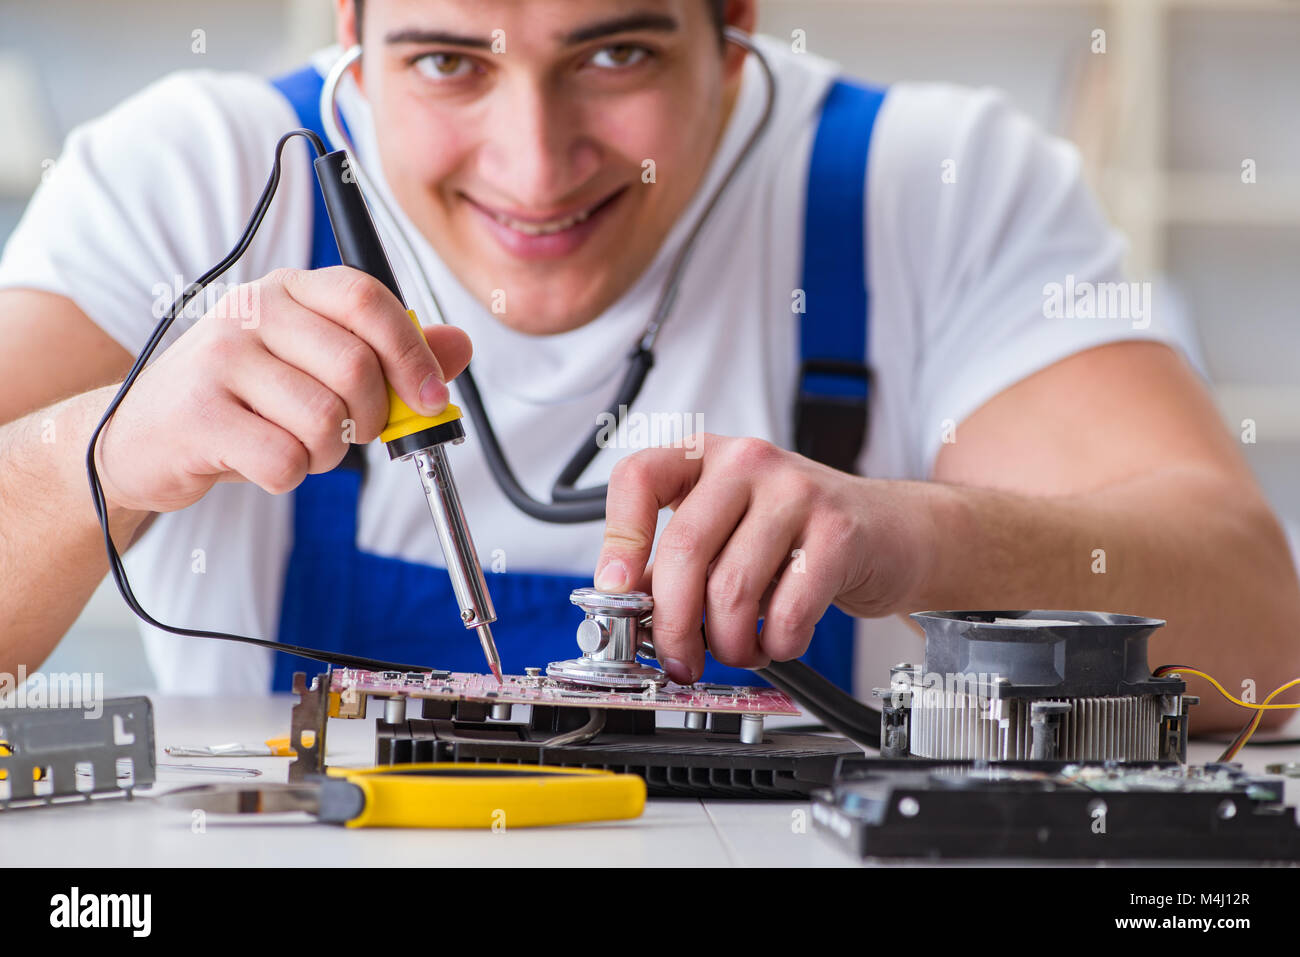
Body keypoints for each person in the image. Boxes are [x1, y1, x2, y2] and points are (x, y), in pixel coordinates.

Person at [0, 0, 1295, 732]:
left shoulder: (936, 185)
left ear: (737, 24)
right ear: (349, 25)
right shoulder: (184, 182)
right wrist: (95, 457)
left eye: (614, 53)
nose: (533, 167)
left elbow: (1257, 633)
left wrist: (923, 536)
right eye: (448, 62)